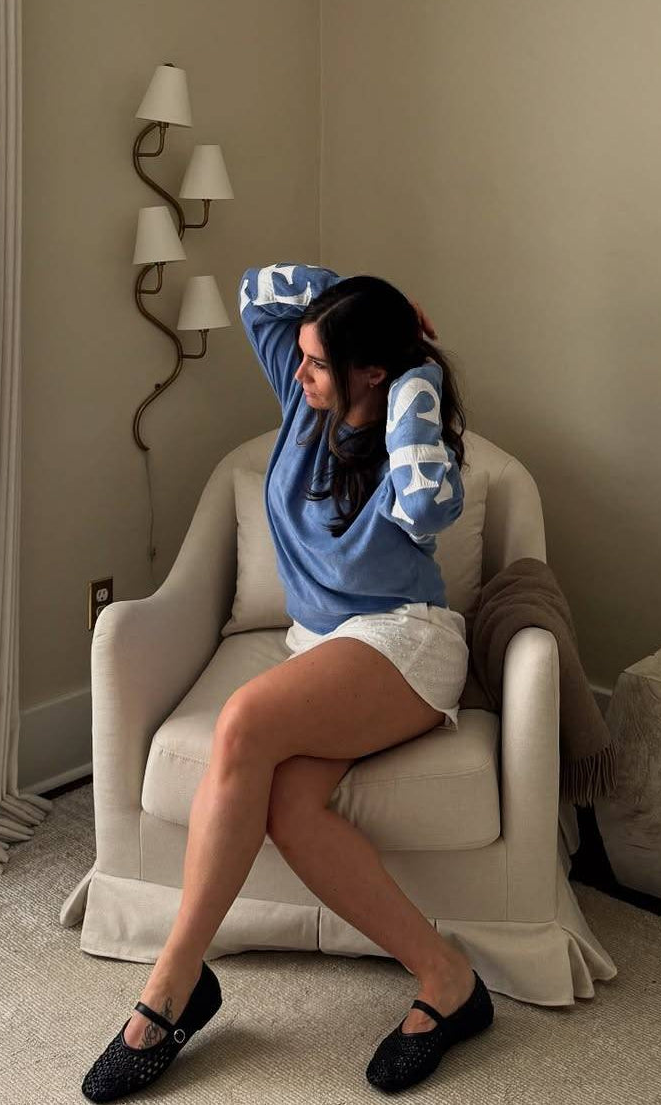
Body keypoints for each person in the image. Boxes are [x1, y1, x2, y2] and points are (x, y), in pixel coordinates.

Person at [82, 263, 493, 1102]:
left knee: (240, 724)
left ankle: (174, 983)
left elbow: (427, 508)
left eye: (318, 363)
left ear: (371, 373)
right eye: (301, 356)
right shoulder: (305, 402)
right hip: (321, 648)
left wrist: (416, 377)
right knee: (289, 809)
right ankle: (448, 979)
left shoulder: (411, 438)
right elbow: (254, 291)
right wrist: (360, 301)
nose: (298, 373)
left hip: (401, 641)